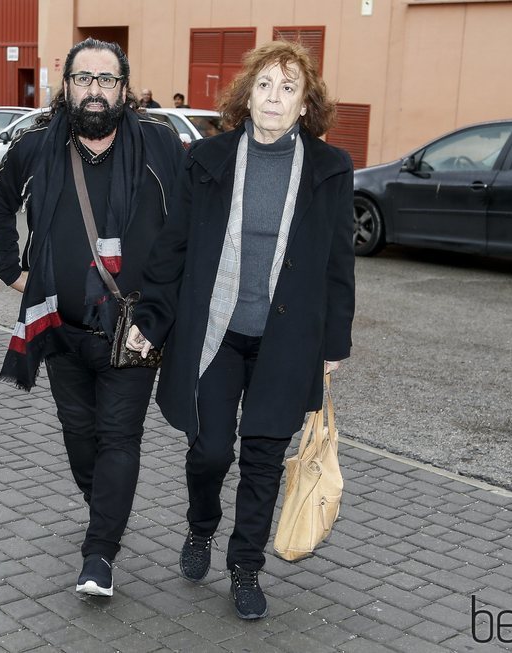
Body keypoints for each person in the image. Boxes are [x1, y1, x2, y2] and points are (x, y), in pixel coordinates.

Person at [126, 40, 355, 620]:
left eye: (287, 88)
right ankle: (200, 526)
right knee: (209, 450)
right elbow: (172, 247)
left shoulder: (330, 170)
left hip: (287, 339)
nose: (273, 99)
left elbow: (338, 262)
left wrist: (333, 347)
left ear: (305, 105)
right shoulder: (208, 159)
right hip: (216, 334)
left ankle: (246, 567)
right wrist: (150, 319)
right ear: (245, 94)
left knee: (262, 458)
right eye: (264, 86)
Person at [0, 38, 184, 597]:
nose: (95, 90)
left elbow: (187, 228)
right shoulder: (37, 146)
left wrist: (164, 308)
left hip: (135, 331)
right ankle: (107, 511)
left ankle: (100, 554)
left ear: (125, 89)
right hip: (60, 331)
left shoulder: (161, 148)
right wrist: (9, 268)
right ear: (66, 86)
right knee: (80, 439)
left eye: (107, 79)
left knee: (120, 437)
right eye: (84, 78)